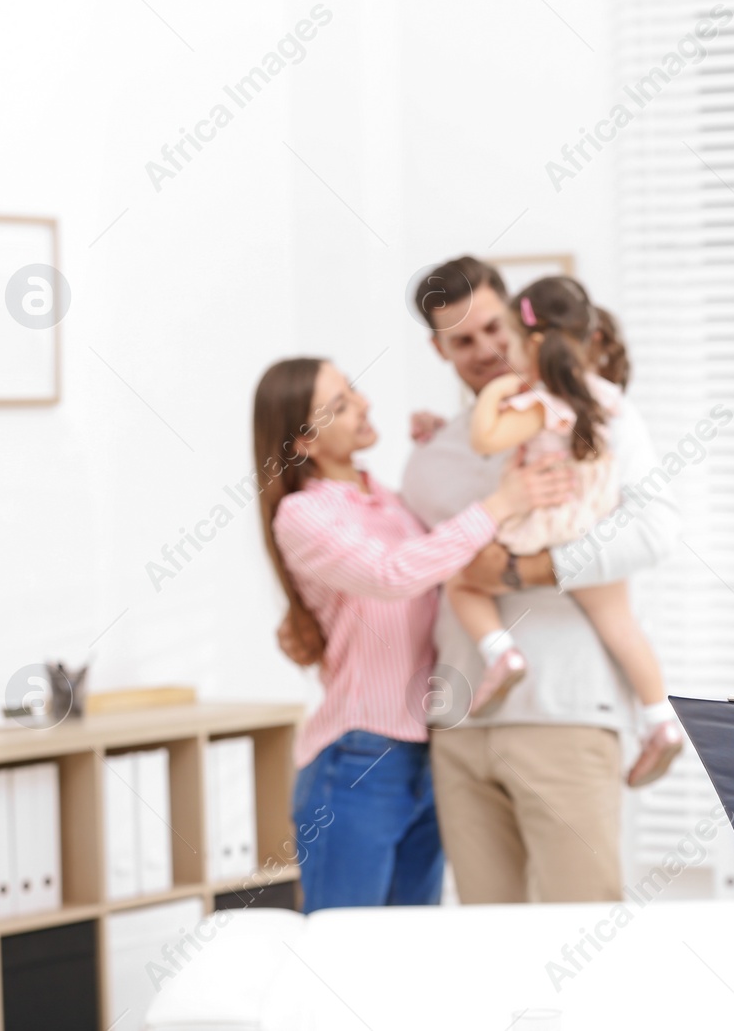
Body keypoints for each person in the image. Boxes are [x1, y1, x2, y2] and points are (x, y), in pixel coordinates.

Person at [401, 255, 681, 903]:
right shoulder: (432, 454)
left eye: (494, 328)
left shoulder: (598, 409)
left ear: (519, 317)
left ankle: (657, 716)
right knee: (487, 937)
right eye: (462, 340)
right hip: (461, 726)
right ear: (438, 347)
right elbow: (419, 571)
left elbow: (658, 526)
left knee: (579, 933)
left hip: (567, 715)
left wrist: (530, 567)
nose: (486, 349)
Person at [253, 356, 573, 912]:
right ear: (302, 442)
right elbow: (394, 573)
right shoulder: (302, 516)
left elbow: (446, 553)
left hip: (428, 750)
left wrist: (440, 441)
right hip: (357, 757)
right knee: (343, 952)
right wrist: (504, 502)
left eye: (353, 391)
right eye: (339, 406)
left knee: (408, 950)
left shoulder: (391, 500)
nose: (363, 405)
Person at [443, 275, 683, 786]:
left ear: (531, 344)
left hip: (547, 522)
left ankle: (500, 653)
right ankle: (660, 720)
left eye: (502, 339)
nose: (495, 352)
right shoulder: (607, 397)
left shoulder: (538, 403)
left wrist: (499, 391)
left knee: (462, 579)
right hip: (590, 526)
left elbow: (487, 440)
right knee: (621, 625)